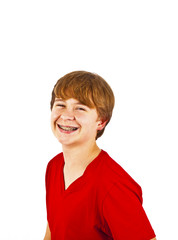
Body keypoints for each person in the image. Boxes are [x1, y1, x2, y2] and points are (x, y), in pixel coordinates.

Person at [44, 71, 156, 240]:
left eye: (80, 108)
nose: (66, 115)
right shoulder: (54, 166)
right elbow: (54, 229)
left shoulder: (112, 185)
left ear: (101, 121)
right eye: (60, 105)